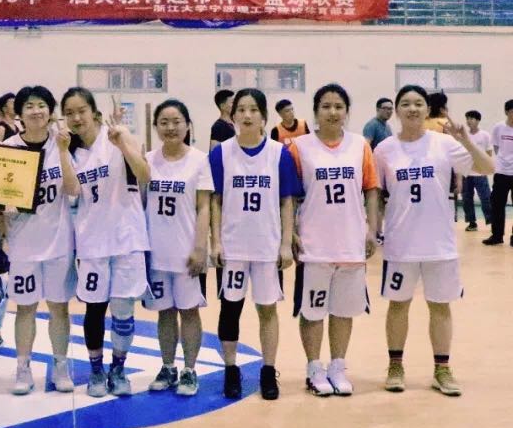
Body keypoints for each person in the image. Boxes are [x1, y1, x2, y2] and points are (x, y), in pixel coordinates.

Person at [375, 85, 493, 396]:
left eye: (418, 103)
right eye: (405, 103)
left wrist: (466, 140)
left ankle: (442, 369)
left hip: (439, 244)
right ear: (397, 111)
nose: (412, 108)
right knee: (398, 305)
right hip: (400, 244)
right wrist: (372, 230)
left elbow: (487, 168)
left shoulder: (444, 143)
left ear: (428, 110)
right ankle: (395, 366)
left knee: (440, 306)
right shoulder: (384, 149)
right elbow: (374, 194)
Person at [209, 88, 301, 401]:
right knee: (230, 309)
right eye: (241, 109)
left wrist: (286, 244)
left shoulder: (278, 153)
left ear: (263, 116)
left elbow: (287, 201)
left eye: (253, 109)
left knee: (267, 309)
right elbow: (215, 200)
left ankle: (268, 369)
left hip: (266, 246)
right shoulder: (221, 153)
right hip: (233, 246)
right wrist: (216, 241)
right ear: (232, 115)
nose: (247, 115)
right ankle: (231, 369)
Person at [288, 84, 380, 397]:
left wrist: (372, 229)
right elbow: (289, 196)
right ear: (316, 111)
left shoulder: (360, 145)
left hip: (350, 243)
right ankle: (314, 368)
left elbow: (371, 189)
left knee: (343, 309)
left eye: (339, 106)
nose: (332, 112)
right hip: (313, 245)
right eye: (326, 106)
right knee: (313, 310)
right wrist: (291, 232)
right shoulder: (299, 147)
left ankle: (337, 366)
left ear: (347, 112)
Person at [63, 88, 150, 397]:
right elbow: (72, 191)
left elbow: (145, 174)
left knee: (124, 309)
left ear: (94, 112)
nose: (76, 118)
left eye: (81, 110)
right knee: (95, 309)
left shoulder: (118, 135)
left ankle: (119, 368)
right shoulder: (70, 151)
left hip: (127, 238)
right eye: (69, 113)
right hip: (92, 241)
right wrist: (61, 150)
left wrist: (122, 144)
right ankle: (96, 370)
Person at [3, 85, 79, 395]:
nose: (36, 111)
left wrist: (62, 151)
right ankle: (23, 368)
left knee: (59, 308)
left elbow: (73, 189)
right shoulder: (8, 148)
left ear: (50, 111)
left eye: (42, 105)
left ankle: (60, 366)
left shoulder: (62, 143)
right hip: (23, 245)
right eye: (29, 106)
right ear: (19, 114)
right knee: (25, 309)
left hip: (58, 242)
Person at [143, 99, 211, 397]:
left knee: (189, 311)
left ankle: (190, 369)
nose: (170, 127)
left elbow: (204, 206)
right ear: (156, 127)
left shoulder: (200, 160)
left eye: (176, 121)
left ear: (187, 125)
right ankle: (168, 366)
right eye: (164, 122)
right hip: (157, 252)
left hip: (186, 253)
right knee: (165, 313)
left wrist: (200, 247)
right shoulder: (147, 160)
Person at [484, 99, 513, 246]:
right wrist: (503, 161)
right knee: (497, 205)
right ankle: (497, 236)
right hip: (501, 172)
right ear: (507, 112)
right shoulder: (498, 127)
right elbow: (496, 147)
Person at [461, 110, 493, 232]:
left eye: (471, 118)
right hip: (466, 172)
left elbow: (489, 153)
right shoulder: (464, 135)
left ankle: (492, 221)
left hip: (480, 173)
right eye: (467, 118)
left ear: (478, 120)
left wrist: (484, 167)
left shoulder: (485, 135)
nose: (469, 121)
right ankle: (472, 223)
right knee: (466, 199)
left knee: (486, 198)